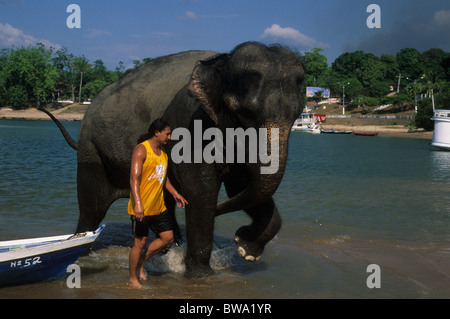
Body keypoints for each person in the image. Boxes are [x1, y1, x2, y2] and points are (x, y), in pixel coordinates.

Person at [128, 118, 188, 287]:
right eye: (167, 134)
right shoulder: (141, 150)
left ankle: (141, 263)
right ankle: (133, 278)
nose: (169, 137)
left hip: (158, 206)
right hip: (141, 207)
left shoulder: (163, 154)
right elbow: (134, 178)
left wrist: (175, 193)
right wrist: (138, 204)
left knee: (168, 238)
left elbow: (163, 176)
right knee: (139, 242)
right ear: (157, 132)